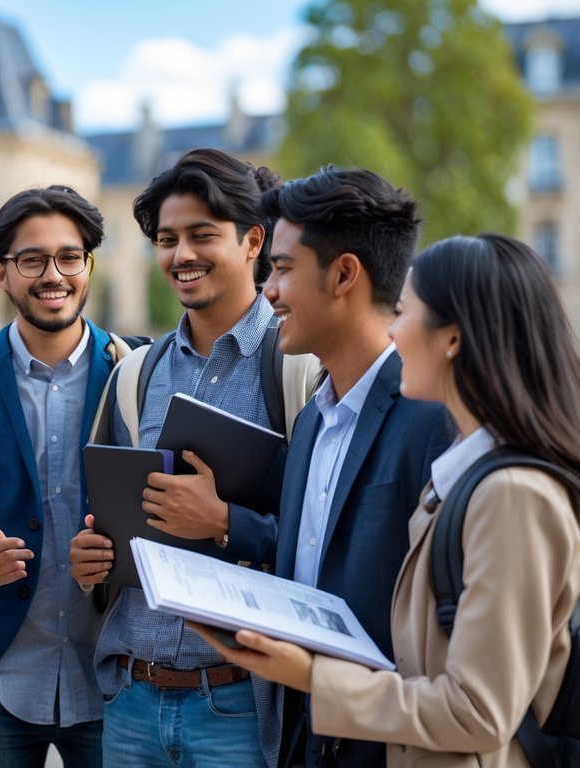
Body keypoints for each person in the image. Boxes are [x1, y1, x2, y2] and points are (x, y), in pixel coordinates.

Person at [197, 233, 580, 767]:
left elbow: (477, 711)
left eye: (403, 311)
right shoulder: (467, 477)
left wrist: (310, 675)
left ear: (452, 338)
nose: (393, 330)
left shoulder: (512, 495)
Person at [68, 148, 312, 768]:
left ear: (254, 241)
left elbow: (325, 548)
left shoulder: (302, 372)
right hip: (132, 700)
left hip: (237, 706)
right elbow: (106, 522)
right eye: (167, 239)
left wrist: (226, 522)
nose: (181, 256)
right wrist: (90, 556)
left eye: (202, 236)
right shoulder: (135, 375)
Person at [244, 166, 453, 766]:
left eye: (282, 269)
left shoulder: (433, 416)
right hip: (303, 742)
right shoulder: (309, 420)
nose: (269, 292)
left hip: (395, 746)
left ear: (343, 275)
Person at [0, 185, 129, 767]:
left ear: (88, 265)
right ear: (1, 274)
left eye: (70, 257)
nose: (54, 275)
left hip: (111, 672)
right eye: (32, 260)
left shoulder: (135, 371)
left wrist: (119, 552)